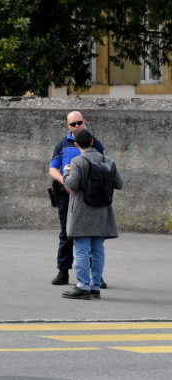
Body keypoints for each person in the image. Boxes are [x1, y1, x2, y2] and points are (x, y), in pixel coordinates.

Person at [60, 128, 122, 299]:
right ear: (93, 142)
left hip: (82, 212)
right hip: (102, 211)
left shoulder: (77, 161)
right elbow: (119, 184)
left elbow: (71, 184)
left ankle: (83, 286)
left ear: (77, 144)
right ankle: (95, 285)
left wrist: (66, 171)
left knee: (81, 250)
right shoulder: (108, 161)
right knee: (97, 250)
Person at [47, 110, 105, 286]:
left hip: (89, 197)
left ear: (84, 122)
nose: (77, 126)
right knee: (66, 234)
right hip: (66, 197)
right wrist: (63, 182)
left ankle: (96, 276)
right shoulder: (62, 144)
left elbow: (104, 165)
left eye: (79, 122)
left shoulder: (94, 143)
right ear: (68, 125)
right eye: (73, 124)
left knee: (92, 237)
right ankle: (63, 272)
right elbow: (52, 168)